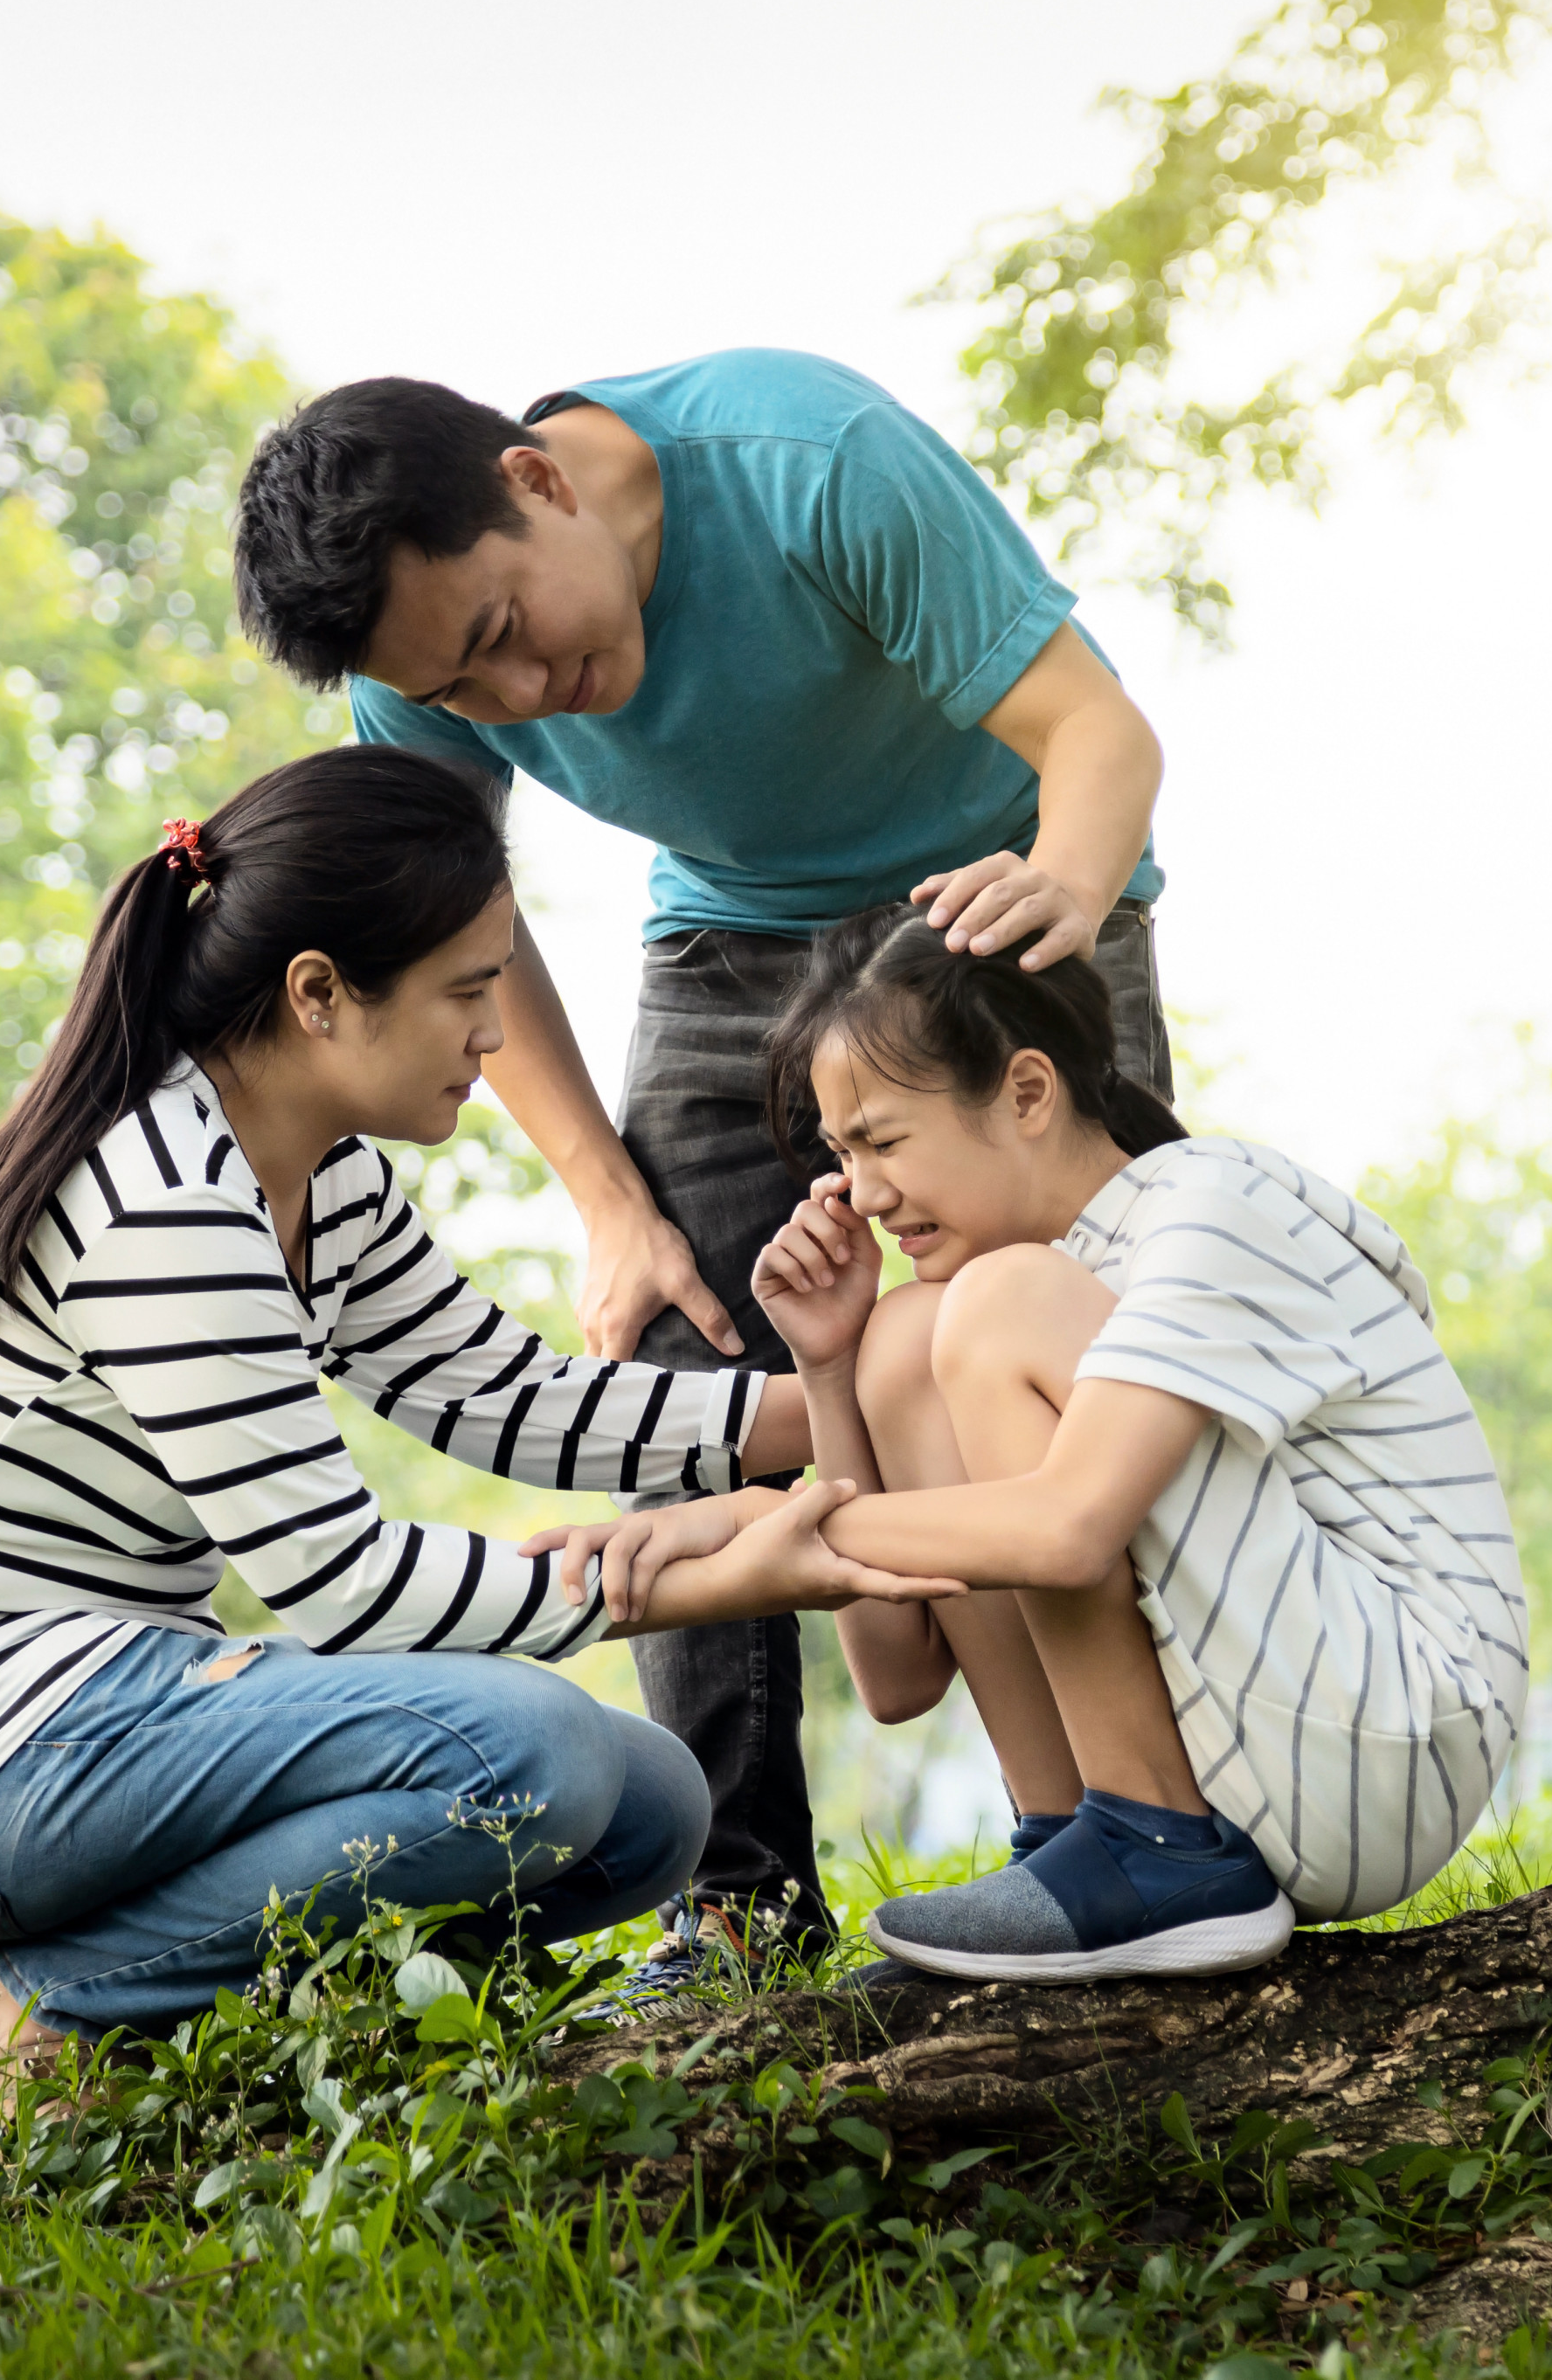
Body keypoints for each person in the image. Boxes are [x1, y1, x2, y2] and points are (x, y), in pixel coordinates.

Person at [0, 748, 956, 2100]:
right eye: (467, 991)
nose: (494, 1038)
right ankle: (52, 1998)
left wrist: (851, 1395)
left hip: (104, 1716)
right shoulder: (161, 1194)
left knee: (648, 1807)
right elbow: (342, 1584)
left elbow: (511, 1398)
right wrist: (711, 1570)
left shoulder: (317, 1179)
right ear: (320, 994)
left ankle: (140, 1979)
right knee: (538, 1755)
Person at [232, 353, 1176, 1978]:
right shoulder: (421, 667)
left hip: (989, 902)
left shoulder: (813, 465)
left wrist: (1065, 899)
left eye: (503, 635)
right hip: (731, 943)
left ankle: (1160, 1830)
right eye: (465, 696)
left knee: (1084, 1353)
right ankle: (736, 1899)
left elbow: (1094, 727)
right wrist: (606, 1195)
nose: (519, 700)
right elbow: (469, 922)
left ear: (538, 482)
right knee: (689, 1338)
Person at [555, 911, 1529, 1982]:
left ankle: (1153, 1844)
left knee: (988, 1305)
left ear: (1025, 1092)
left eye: (882, 1141)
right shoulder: (1021, 1298)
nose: (863, 1194)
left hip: (1390, 1734)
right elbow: (896, 1676)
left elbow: (1068, 1530)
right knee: (906, 1339)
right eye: (842, 1154)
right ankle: (1072, 1846)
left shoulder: (1207, 1208)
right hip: (1288, 1733)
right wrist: (831, 1372)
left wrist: (757, 1522)